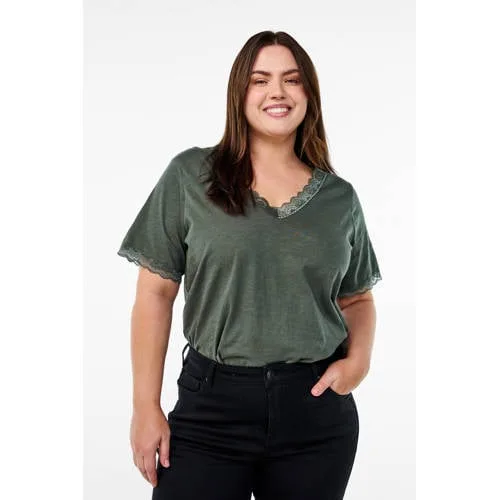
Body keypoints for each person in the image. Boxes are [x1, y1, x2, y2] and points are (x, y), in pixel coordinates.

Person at [117, 30, 382, 500]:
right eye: (260, 80)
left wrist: (358, 361)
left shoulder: (339, 199)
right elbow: (155, 294)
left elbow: (357, 297)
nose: (277, 92)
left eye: (291, 80)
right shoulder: (190, 176)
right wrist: (145, 406)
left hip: (316, 414)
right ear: (239, 93)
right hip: (210, 409)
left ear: (309, 95)